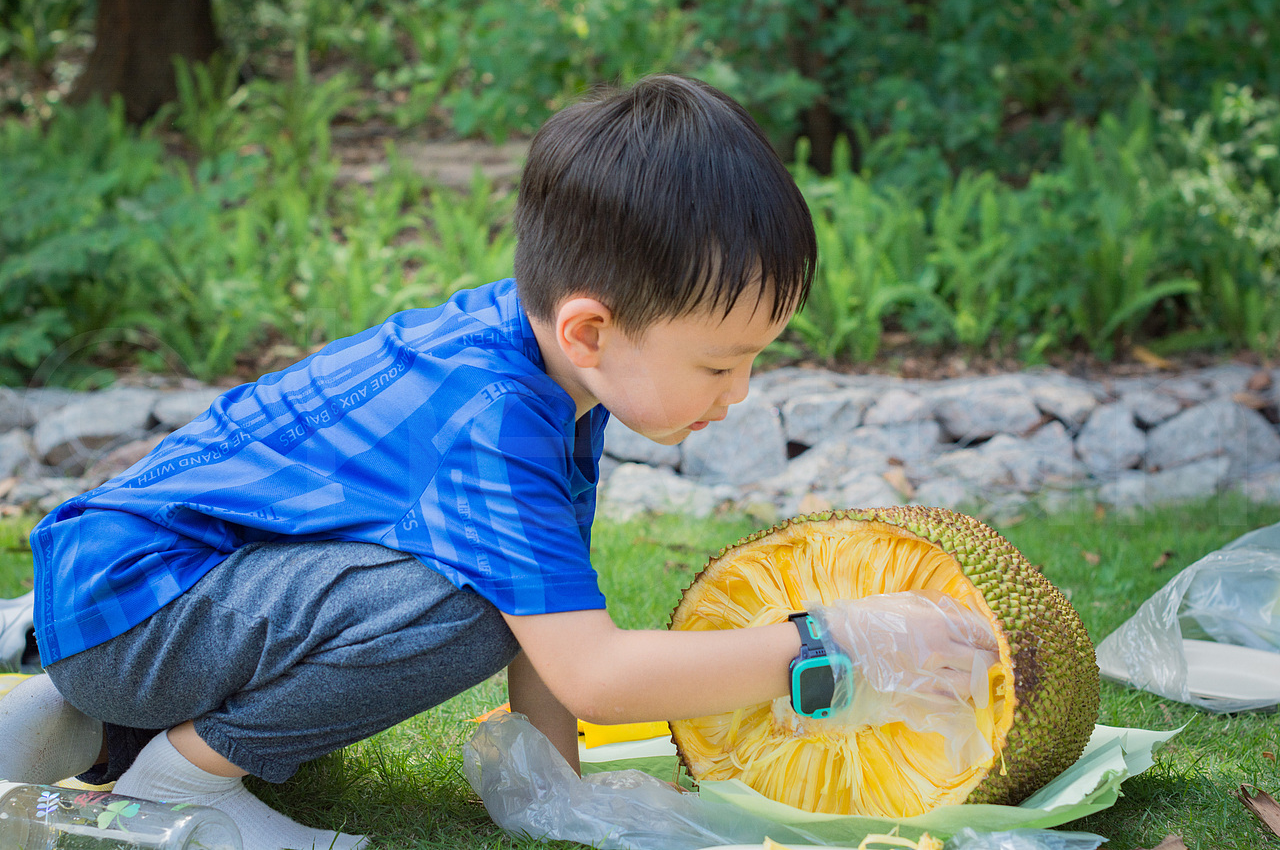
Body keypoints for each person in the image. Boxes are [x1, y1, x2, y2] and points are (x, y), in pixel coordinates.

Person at [0, 75, 995, 850]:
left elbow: (551, 601)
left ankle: (83, 720)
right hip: (138, 608)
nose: (737, 392)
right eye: (720, 362)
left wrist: (550, 795)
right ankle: (182, 778)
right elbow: (592, 669)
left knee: (497, 591)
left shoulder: (547, 362)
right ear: (593, 328)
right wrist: (828, 640)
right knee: (464, 606)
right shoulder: (491, 413)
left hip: (132, 598)